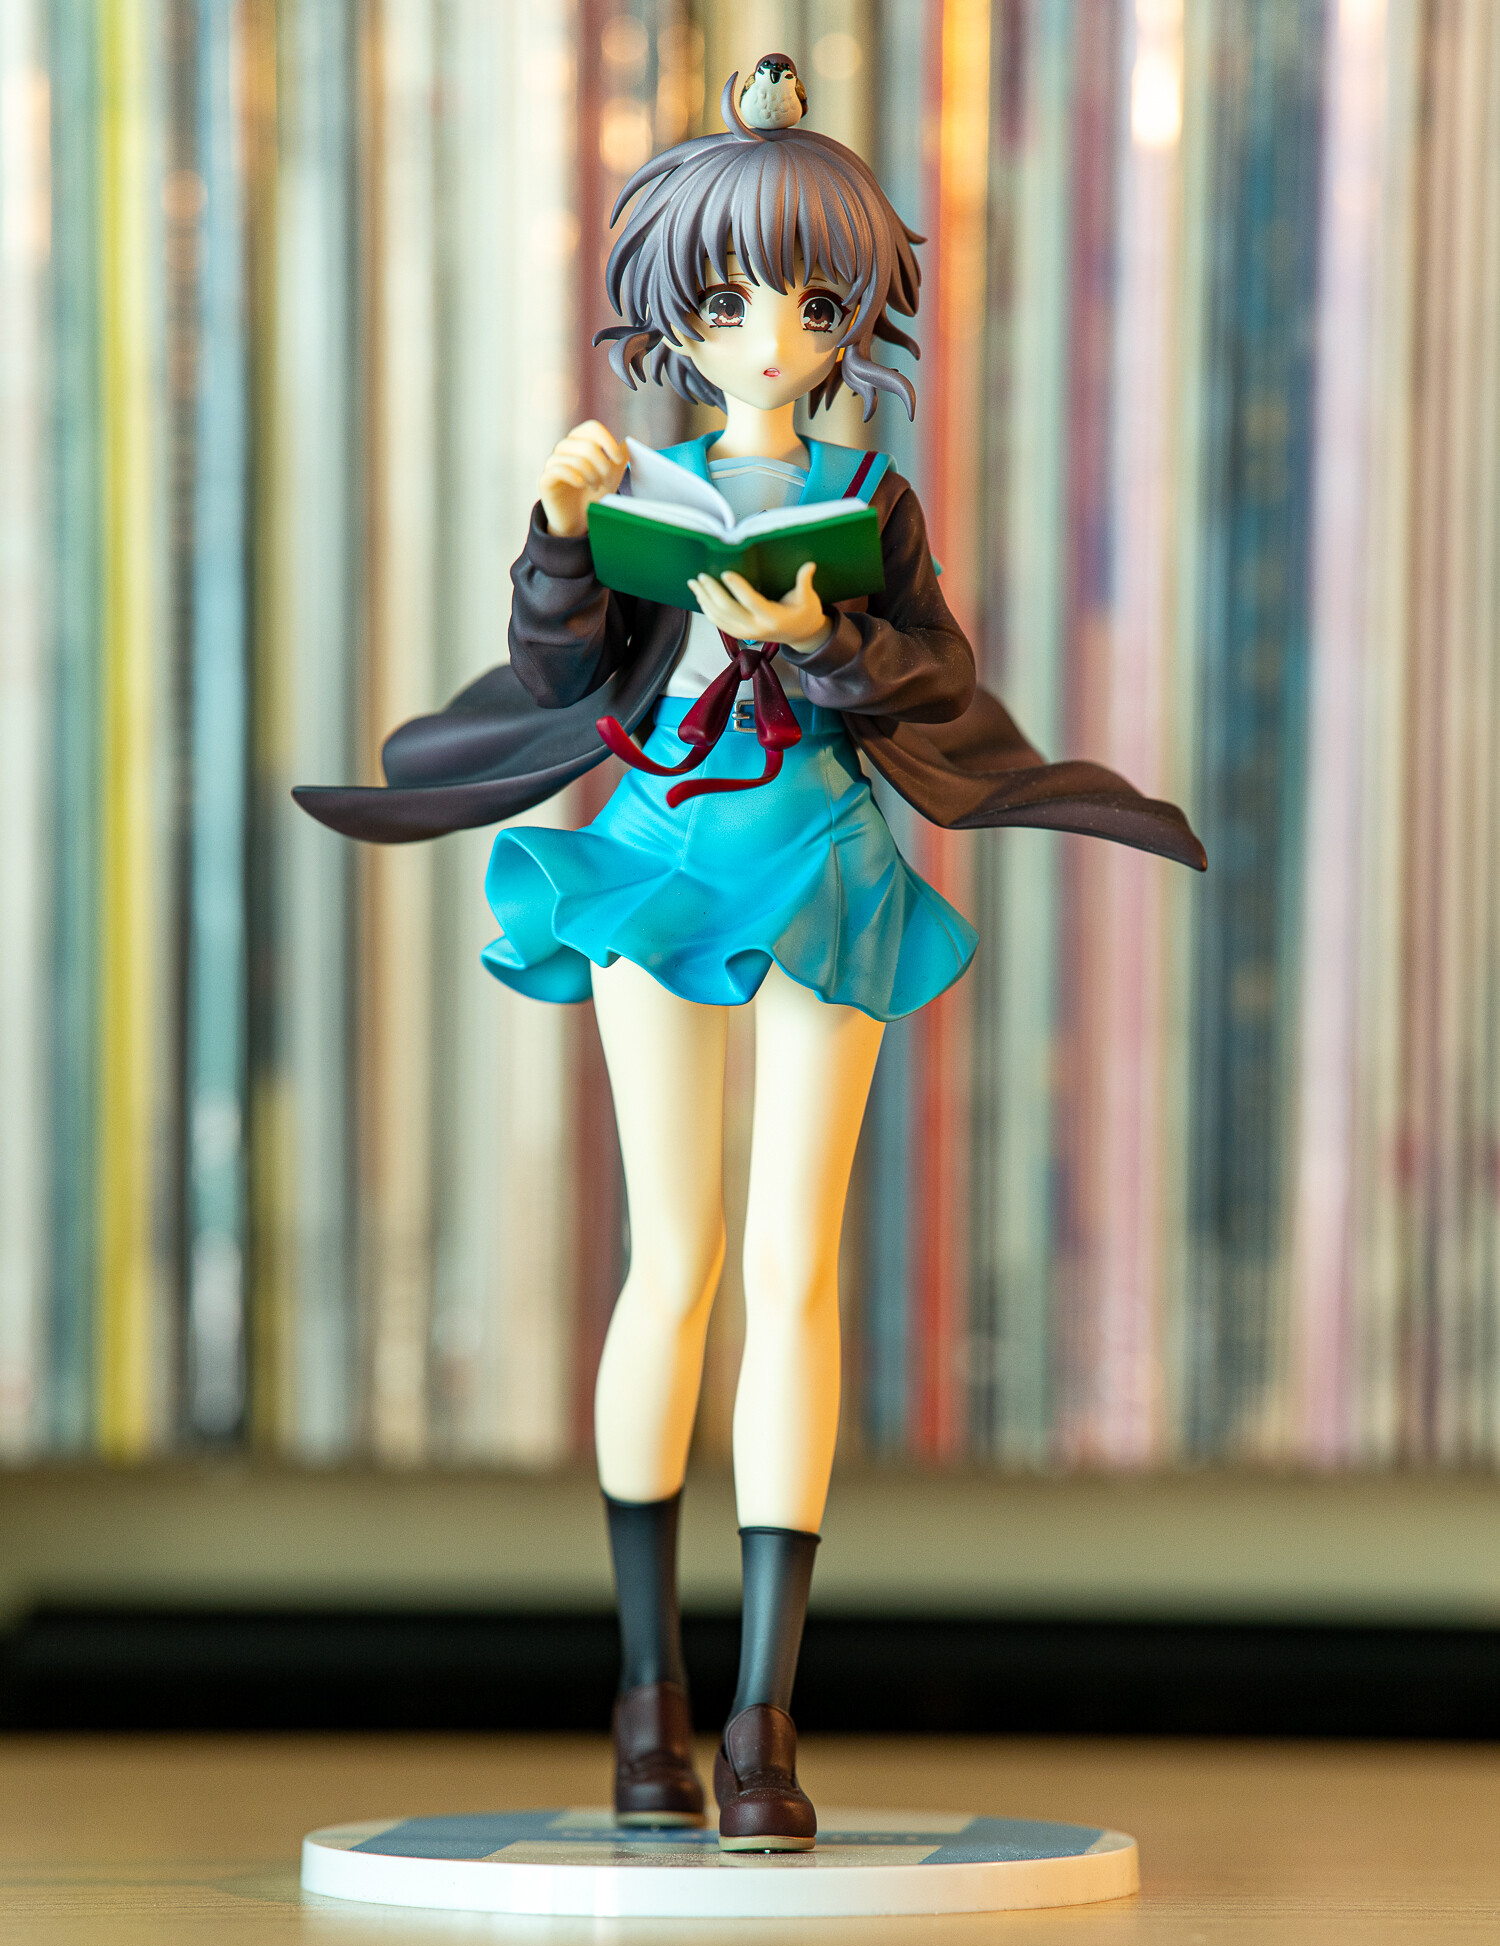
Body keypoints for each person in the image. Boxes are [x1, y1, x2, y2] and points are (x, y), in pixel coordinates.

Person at [294, 60, 1204, 1853]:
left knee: (792, 1271)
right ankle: (647, 1699)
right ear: (670, 314)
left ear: (852, 315)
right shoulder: (639, 481)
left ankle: (763, 1717)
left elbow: (938, 684)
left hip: (820, 867)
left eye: (810, 302)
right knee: (675, 1262)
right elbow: (561, 676)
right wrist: (563, 540)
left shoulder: (871, 496)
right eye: (727, 301)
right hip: (651, 862)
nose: (771, 337)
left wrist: (822, 636)